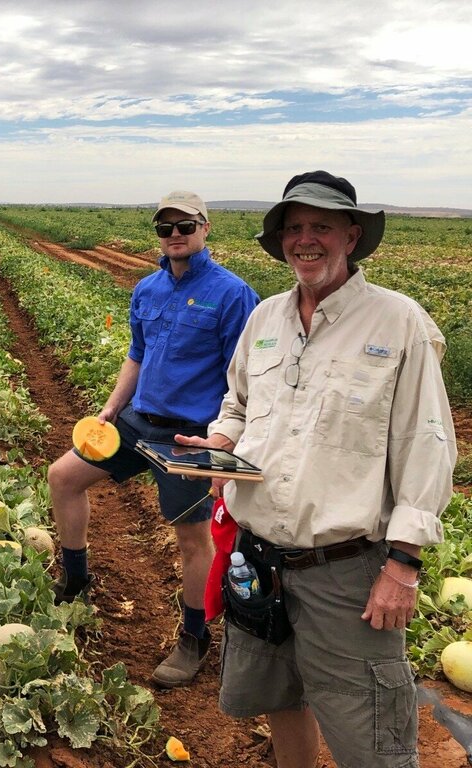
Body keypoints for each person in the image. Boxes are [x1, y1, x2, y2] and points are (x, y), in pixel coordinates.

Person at [177, 171, 456, 767]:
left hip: (345, 572)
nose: (306, 239)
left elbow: (426, 446)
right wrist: (219, 443)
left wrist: (403, 565)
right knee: (281, 699)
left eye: (321, 227)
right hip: (258, 558)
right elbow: (239, 405)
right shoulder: (265, 319)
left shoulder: (399, 323)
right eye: (294, 228)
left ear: (351, 237)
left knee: (371, 738)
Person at [47, 191, 259, 688]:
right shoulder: (147, 288)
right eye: (166, 228)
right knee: (63, 477)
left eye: (185, 226)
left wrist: (226, 442)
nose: (175, 235)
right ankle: (75, 578)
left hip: (189, 437)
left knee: (191, 538)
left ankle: (194, 637)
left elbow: (246, 377)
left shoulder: (232, 294)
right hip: (136, 421)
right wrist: (111, 407)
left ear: (205, 228)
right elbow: (137, 355)